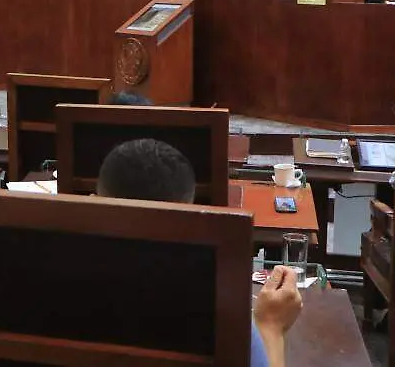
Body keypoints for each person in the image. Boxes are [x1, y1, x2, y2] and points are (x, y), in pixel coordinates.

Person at [96, 138, 301, 366]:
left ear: (91, 202)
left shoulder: (57, 278)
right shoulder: (216, 309)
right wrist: (271, 325)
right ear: (191, 217)